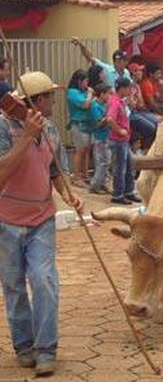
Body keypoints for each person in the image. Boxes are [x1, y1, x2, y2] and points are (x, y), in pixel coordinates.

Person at [0, 71, 83, 377]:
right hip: (6, 221)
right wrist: (24, 137)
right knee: (13, 286)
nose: (53, 100)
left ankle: (46, 349)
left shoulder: (50, 129)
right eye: (48, 96)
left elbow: (55, 171)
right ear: (33, 101)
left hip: (42, 219)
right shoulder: (3, 127)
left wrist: (69, 195)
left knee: (44, 280)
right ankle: (24, 346)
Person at [106, 77, 142, 205]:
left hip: (122, 140)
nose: (130, 90)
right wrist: (119, 130)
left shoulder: (119, 100)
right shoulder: (115, 102)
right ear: (122, 88)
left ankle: (128, 191)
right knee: (120, 168)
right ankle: (118, 194)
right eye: (128, 88)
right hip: (118, 140)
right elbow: (110, 119)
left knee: (127, 166)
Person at [66, 69, 95, 187]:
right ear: (79, 81)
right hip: (78, 124)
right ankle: (76, 176)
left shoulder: (84, 92)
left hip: (88, 124)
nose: (87, 84)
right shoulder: (72, 92)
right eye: (85, 81)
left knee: (87, 150)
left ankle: (85, 174)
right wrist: (89, 95)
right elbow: (85, 104)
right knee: (80, 150)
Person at [128, 63, 159, 151]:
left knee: (159, 122)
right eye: (139, 71)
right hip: (131, 113)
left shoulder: (137, 86)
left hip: (139, 111)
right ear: (134, 72)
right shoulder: (129, 86)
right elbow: (132, 104)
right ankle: (143, 149)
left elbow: (141, 104)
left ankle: (149, 149)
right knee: (151, 127)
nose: (142, 73)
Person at [89, 83, 112, 195]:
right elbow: (97, 124)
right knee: (102, 162)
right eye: (107, 93)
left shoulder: (105, 105)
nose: (109, 96)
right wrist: (107, 119)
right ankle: (95, 185)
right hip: (100, 137)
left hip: (106, 136)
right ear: (101, 94)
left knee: (106, 162)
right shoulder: (95, 106)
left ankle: (102, 184)